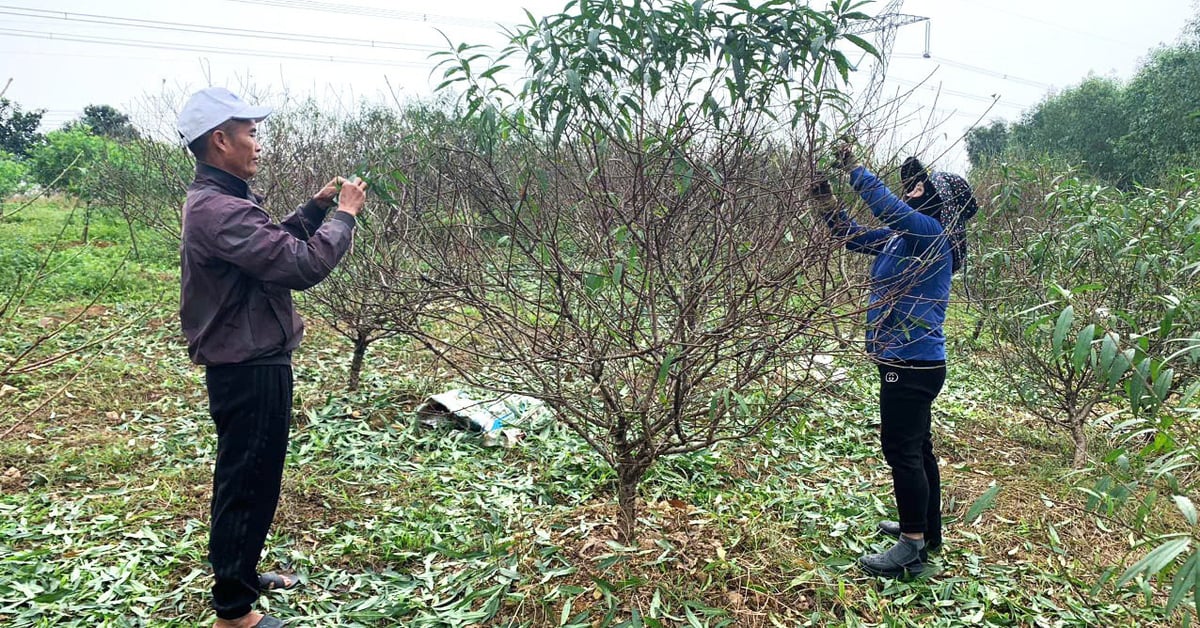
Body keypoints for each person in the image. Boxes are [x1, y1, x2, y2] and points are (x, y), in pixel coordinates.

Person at [177, 87, 367, 628]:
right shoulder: (219, 208)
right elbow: (301, 266)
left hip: (251, 357)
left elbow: (270, 244)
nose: (259, 144)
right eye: (251, 134)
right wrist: (345, 217)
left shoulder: (223, 202)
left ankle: (238, 574)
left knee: (251, 477)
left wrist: (317, 206)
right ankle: (234, 613)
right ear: (221, 140)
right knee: (248, 481)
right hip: (249, 364)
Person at [813, 144, 973, 578]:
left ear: (940, 201)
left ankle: (911, 548)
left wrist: (854, 168)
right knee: (918, 448)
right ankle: (925, 529)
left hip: (912, 362)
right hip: (909, 360)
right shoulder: (902, 238)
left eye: (923, 184)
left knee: (901, 450)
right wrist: (824, 201)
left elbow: (889, 207)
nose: (914, 187)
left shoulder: (929, 234)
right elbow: (849, 235)